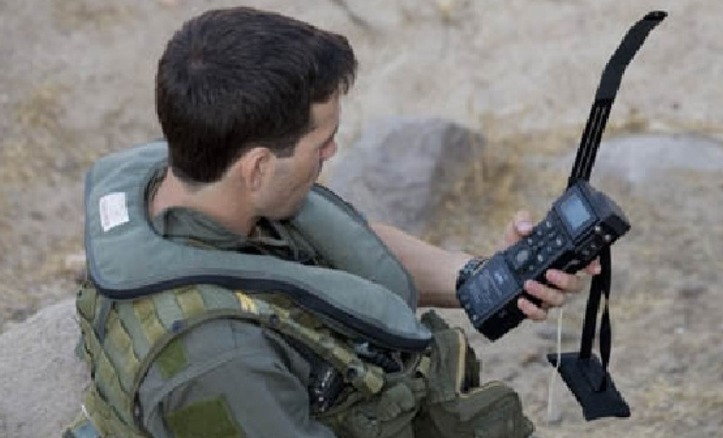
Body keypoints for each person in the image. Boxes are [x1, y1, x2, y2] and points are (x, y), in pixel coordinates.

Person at [65, 7, 599, 438]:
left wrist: (485, 276)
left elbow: (343, 249)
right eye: (322, 143)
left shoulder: (201, 185)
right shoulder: (220, 363)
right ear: (256, 167)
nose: (334, 151)